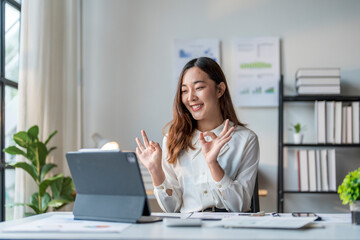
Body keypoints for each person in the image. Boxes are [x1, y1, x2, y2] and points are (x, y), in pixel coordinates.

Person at [135, 57, 259, 213]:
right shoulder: (172, 139)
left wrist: (213, 164)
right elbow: (171, 208)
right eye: (184, 90)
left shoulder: (246, 139)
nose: (190, 97)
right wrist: (155, 171)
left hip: (228, 229)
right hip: (187, 229)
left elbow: (240, 206)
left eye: (199, 88)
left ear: (219, 90)